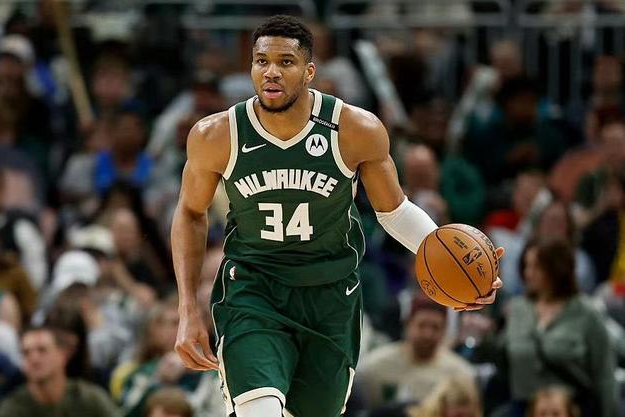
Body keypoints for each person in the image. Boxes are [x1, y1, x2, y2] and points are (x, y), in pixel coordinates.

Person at [171, 15, 503, 417]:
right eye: (262, 61)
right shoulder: (217, 135)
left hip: (330, 297)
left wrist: (454, 260)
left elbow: (394, 211)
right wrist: (187, 309)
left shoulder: (355, 129)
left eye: (286, 62)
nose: (271, 72)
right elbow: (190, 212)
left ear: (309, 71)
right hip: (255, 290)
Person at [503, 238, 615, 417]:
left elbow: (604, 373)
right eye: (526, 266)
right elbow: (504, 357)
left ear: (556, 268)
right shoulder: (517, 309)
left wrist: (609, 411)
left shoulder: (586, 312)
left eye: (536, 267)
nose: (528, 273)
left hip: (573, 408)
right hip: (524, 408)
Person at [356, 296, 474, 410]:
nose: (427, 334)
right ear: (408, 324)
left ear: (444, 330)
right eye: (422, 325)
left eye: (435, 327)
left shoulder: (460, 375)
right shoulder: (374, 366)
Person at [0, 326, 120, 417]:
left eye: (42, 350)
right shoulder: (14, 408)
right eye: (26, 353)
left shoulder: (88, 399)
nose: (34, 359)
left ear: (62, 355)